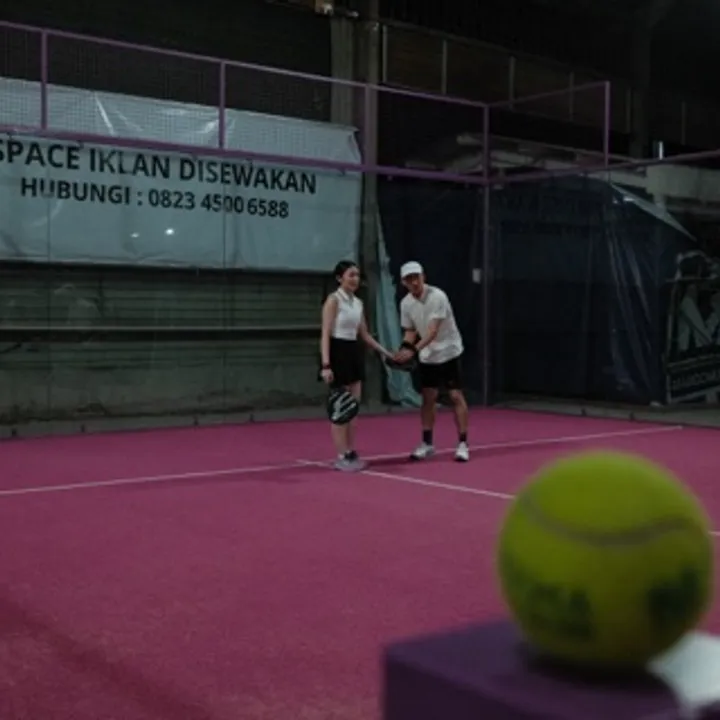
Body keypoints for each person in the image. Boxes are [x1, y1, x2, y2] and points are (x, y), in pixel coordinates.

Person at [393, 261, 470, 462]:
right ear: (403, 282)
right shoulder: (406, 304)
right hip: (428, 355)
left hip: (450, 350)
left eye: (416, 277)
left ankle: (463, 444)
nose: (414, 282)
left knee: (455, 396)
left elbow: (432, 331)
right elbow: (410, 331)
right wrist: (404, 349)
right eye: (409, 279)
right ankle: (427, 444)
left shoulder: (438, 296)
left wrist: (412, 351)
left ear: (423, 277)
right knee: (428, 398)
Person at [320, 260, 392, 471]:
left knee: (352, 409)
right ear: (339, 278)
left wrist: (386, 353)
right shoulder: (333, 300)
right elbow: (325, 334)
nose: (355, 279)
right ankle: (341, 455)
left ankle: (350, 452)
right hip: (337, 353)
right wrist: (326, 365)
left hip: (353, 353)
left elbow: (365, 335)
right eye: (350, 275)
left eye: (357, 275)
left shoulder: (358, 303)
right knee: (340, 410)